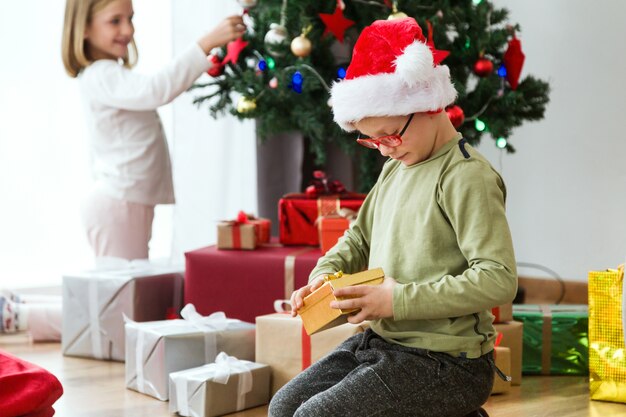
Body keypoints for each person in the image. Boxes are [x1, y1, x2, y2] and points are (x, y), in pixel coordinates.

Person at [270, 17, 517, 417]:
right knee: (285, 407)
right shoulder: (395, 167)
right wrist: (323, 276)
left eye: (390, 135)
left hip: (448, 361)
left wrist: (396, 299)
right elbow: (358, 239)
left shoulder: (466, 176)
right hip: (385, 343)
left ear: (427, 106)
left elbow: (498, 279)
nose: (384, 150)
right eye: (372, 141)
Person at [61, 0, 245, 259]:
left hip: (127, 199)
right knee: (123, 289)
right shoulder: (100, 74)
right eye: (115, 21)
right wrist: (205, 43)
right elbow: (155, 90)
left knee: (129, 284)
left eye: (130, 19)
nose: (128, 30)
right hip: (119, 200)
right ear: (84, 28)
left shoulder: (109, 73)